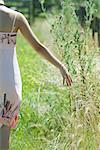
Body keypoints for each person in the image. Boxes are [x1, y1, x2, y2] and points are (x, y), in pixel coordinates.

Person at [0, 0, 72, 149]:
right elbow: (38, 47)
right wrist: (61, 66)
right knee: (5, 126)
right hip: (9, 79)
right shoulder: (16, 17)